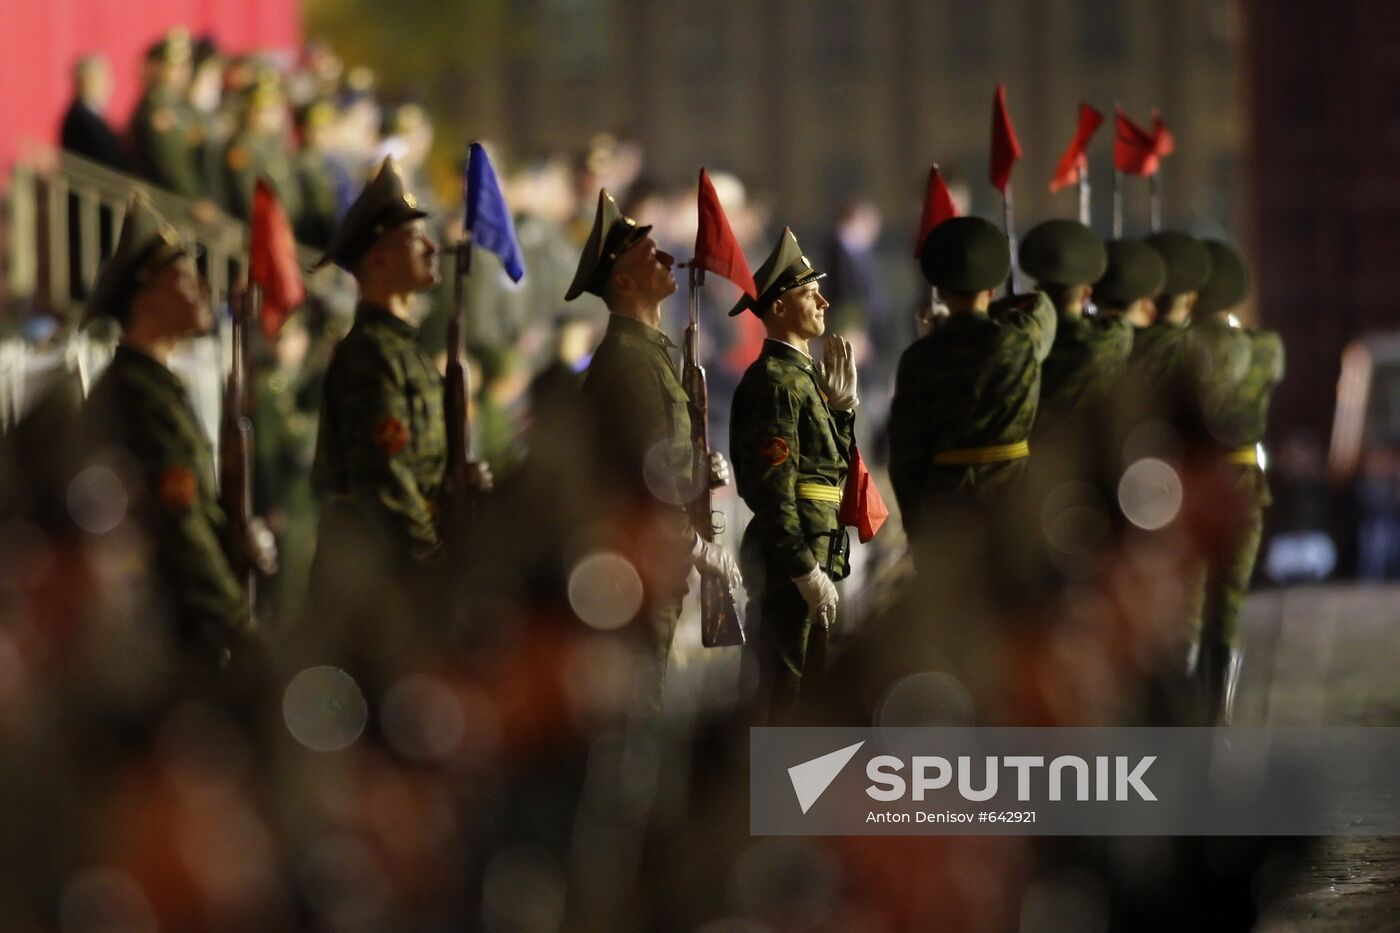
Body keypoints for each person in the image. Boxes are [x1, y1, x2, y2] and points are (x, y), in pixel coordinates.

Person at [306, 157, 485, 678]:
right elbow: (385, 480)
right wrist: (434, 559)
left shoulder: (403, 350)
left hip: (399, 569)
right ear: (379, 262)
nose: (432, 249)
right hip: (376, 573)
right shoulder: (370, 354)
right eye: (415, 241)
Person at [80, 192, 270, 667]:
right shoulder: (139, 396)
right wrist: (244, 631)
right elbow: (179, 529)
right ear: (146, 302)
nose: (203, 290)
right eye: (184, 279)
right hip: (161, 631)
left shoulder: (156, 386)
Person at [569, 189, 741, 713]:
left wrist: (700, 466)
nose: (667, 259)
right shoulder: (626, 361)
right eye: (649, 257)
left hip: (658, 556)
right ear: (622, 281)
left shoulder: (655, 354)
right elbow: (643, 469)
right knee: (640, 704)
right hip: (638, 560)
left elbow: (669, 450)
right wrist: (694, 545)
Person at [729, 227, 856, 722]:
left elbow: (828, 469)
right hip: (795, 557)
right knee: (788, 692)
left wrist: (841, 412)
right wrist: (804, 570)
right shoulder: (777, 382)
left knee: (809, 692)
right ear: (779, 308)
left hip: (813, 549)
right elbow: (776, 489)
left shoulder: (801, 378)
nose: (824, 301)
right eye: (809, 293)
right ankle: (779, 798)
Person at [888, 216, 1055, 545]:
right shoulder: (1018, 342)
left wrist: (915, 526)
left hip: (946, 512)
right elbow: (1041, 307)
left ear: (939, 291)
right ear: (992, 291)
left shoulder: (919, 357)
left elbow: (905, 454)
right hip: (1013, 505)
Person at [1187, 240, 1284, 719]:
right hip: (1242, 484)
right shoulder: (1263, 349)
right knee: (1225, 605)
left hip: (1185, 487)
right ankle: (1216, 714)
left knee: (1182, 605)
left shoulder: (1178, 348)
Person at [1019, 219, 1128, 431]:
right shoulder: (1106, 339)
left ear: (1037, 289)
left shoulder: (1020, 337)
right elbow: (1120, 320)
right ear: (1087, 293)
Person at [129, 29, 203, 200]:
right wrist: (195, 199)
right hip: (169, 203)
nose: (181, 73)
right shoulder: (156, 107)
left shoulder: (182, 105)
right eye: (174, 66)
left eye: (185, 66)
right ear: (158, 68)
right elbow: (172, 164)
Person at [60, 54, 123, 169]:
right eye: (102, 79)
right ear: (86, 81)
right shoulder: (81, 118)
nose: (108, 85)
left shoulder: (91, 115)